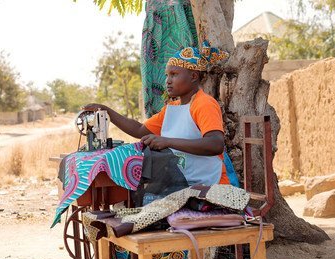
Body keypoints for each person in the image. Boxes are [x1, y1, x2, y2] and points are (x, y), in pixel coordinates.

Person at [83, 42, 230, 186]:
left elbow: (215, 144)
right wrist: (106, 111)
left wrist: (167, 141)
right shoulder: (172, 108)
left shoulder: (204, 103)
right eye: (167, 75)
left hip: (210, 184)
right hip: (185, 182)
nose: (168, 81)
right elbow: (139, 130)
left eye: (174, 74)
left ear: (193, 76)